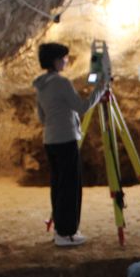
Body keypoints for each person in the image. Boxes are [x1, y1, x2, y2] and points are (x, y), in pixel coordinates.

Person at [34, 42, 107, 248]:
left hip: (50, 140)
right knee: (70, 187)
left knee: (58, 186)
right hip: (65, 139)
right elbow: (82, 107)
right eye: (64, 58)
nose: (66, 61)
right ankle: (67, 233)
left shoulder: (40, 84)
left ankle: (61, 229)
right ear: (56, 61)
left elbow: (41, 116)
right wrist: (100, 89)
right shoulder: (61, 83)